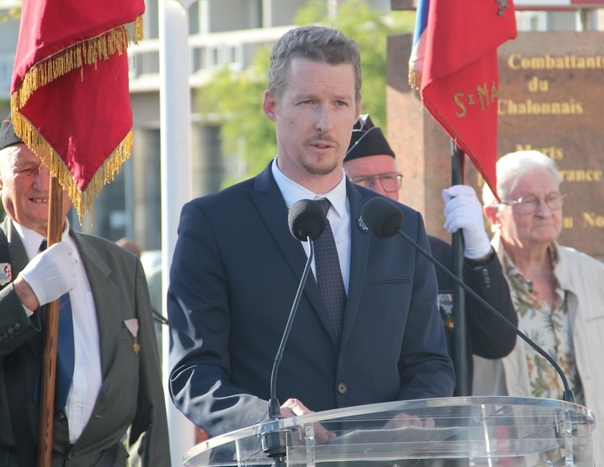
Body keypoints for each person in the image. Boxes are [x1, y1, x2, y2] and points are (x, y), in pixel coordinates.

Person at [167, 25, 455, 438]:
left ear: (357, 109)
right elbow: (193, 373)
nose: (325, 122)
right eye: (308, 102)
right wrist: (269, 420)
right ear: (272, 105)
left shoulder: (399, 226)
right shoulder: (212, 223)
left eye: (339, 103)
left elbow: (430, 363)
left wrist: (414, 417)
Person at [0, 119, 170, 466]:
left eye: (54, 168)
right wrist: (23, 296)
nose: (43, 182)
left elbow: (149, 412)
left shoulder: (121, 266)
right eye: (27, 169)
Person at [468, 150, 604, 467]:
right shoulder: (472, 281)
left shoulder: (595, 276)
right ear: (494, 214)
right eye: (528, 201)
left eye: (552, 198)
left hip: (590, 458)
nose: (544, 211)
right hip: (510, 459)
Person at [343, 114, 517, 394]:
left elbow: (498, 341)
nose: (381, 191)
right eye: (362, 180)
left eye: (389, 178)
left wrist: (478, 250)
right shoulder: (329, 261)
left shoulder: (435, 255)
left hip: (443, 429)